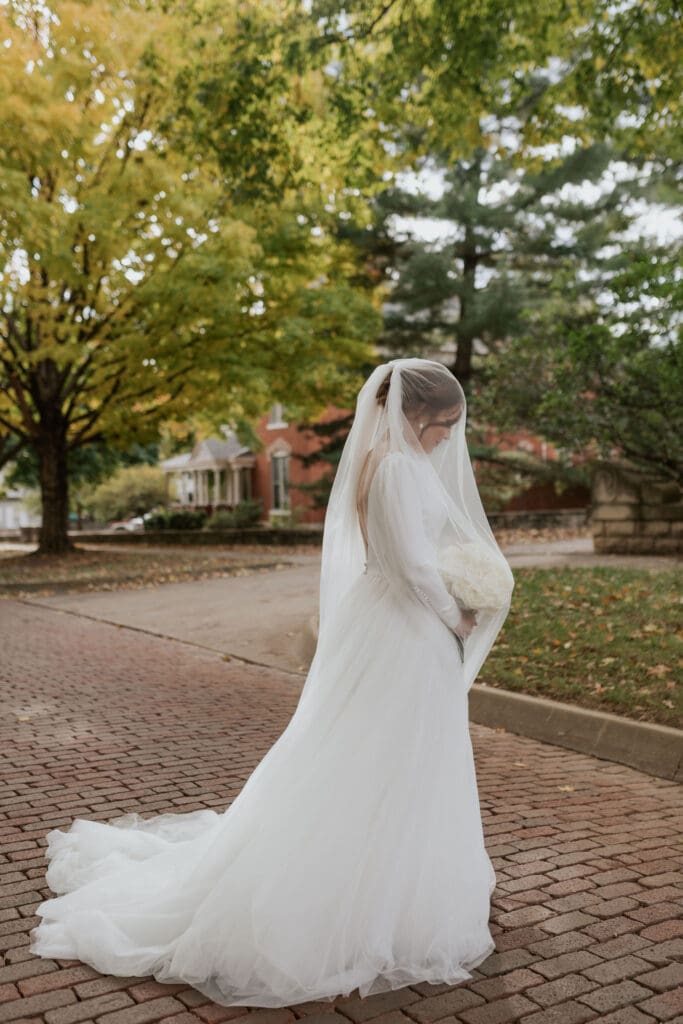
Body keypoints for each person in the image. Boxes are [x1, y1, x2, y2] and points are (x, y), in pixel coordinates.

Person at [29, 357, 514, 1008]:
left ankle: (399, 878)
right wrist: (458, 611)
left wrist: (464, 579)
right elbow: (412, 569)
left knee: (395, 756)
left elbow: (421, 558)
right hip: (403, 630)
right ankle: (366, 893)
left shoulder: (395, 463)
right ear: (416, 414)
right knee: (387, 754)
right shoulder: (395, 467)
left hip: (396, 626)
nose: (450, 435)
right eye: (445, 423)